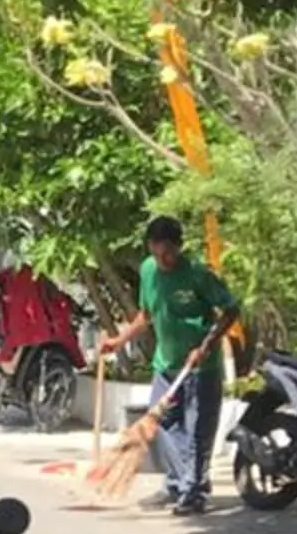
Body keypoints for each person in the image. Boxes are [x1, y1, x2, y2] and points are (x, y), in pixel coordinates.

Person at [97, 217, 239, 514]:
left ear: (179, 247)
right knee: (161, 424)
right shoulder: (149, 271)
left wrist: (206, 346)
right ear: (150, 248)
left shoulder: (198, 274)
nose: (164, 260)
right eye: (158, 253)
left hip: (201, 369)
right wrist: (119, 340)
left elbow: (230, 309)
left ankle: (193, 491)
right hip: (166, 365)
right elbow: (145, 315)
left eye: (170, 253)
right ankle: (180, 483)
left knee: (197, 432)